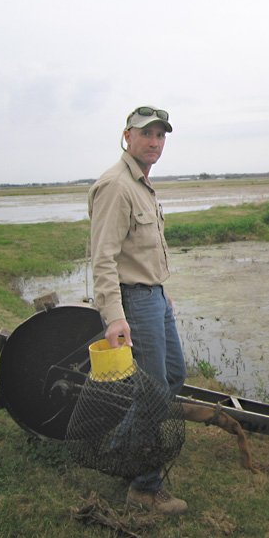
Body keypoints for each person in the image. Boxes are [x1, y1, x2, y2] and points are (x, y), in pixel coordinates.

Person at [88, 105, 188, 515]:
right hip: (133, 301)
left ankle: (119, 447)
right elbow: (103, 259)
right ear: (127, 136)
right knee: (154, 392)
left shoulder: (142, 185)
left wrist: (161, 290)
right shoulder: (116, 186)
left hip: (154, 296)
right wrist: (114, 315)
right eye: (146, 133)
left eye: (160, 135)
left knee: (174, 376)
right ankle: (144, 489)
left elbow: (141, 250)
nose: (154, 142)